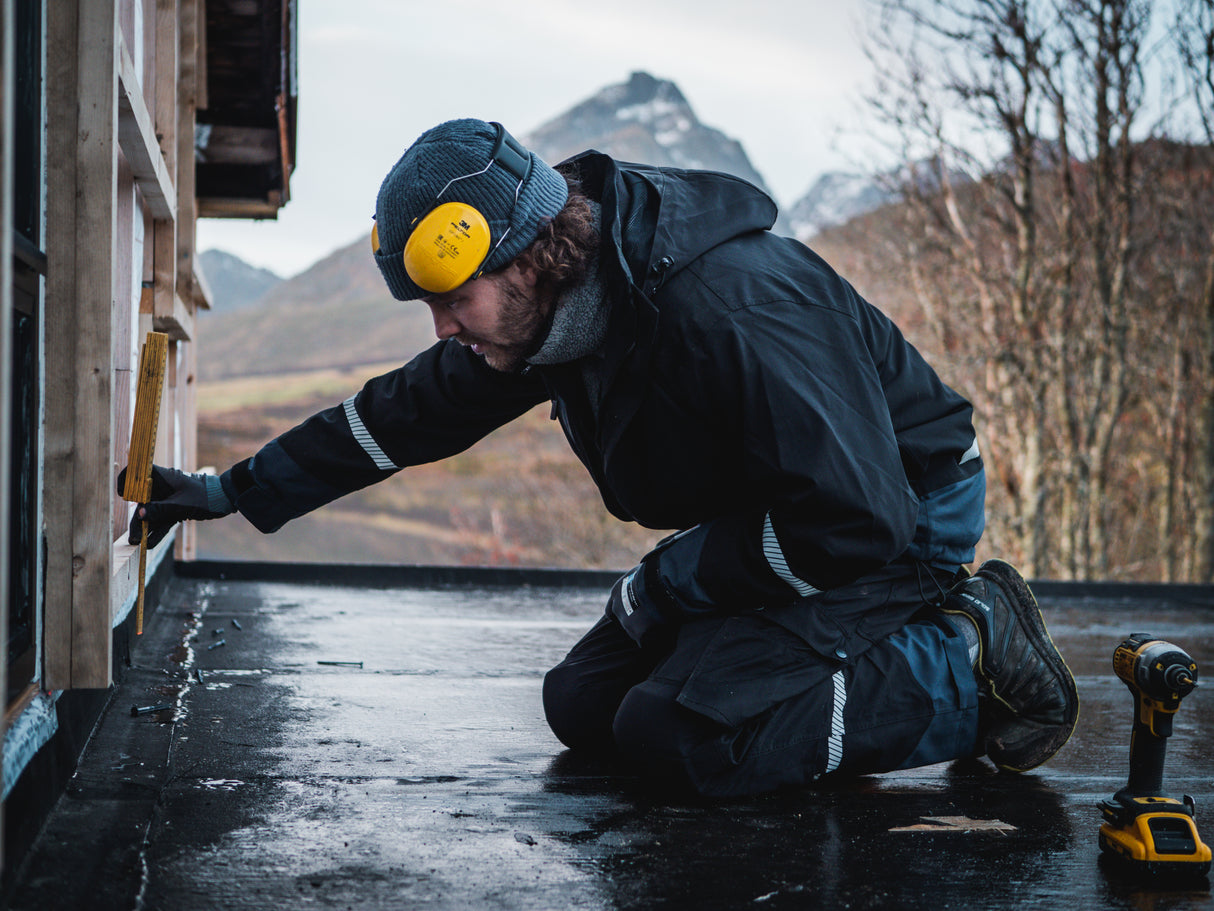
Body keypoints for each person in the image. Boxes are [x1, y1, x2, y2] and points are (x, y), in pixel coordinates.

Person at [122, 118, 1078, 797]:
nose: (444, 326)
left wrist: (677, 581)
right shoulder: (552, 313)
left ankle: (975, 654)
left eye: (452, 295)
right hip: (790, 514)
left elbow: (857, 515)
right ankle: (781, 641)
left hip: (896, 516)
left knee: (688, 739)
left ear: (530, 251)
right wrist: (230, 490)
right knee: (584, 704)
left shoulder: (731, 307)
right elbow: (406, 413)